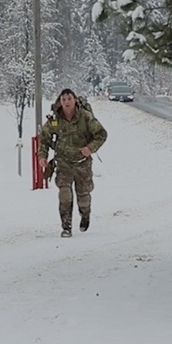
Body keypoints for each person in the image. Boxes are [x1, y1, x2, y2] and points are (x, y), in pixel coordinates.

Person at [37, 89, 108, 237]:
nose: (66, 102)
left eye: (69, 99)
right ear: (60, 102)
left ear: (75, 100)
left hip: (82, 163)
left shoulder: (85, 117)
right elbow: (44, 138)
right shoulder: (55, 119)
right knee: (65, 194)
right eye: (63, 99)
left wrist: (90, 148)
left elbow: (101, 134)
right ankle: (66, 226)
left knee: (83, 195)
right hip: (63, 163)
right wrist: (42, 156)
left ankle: (85, 214)